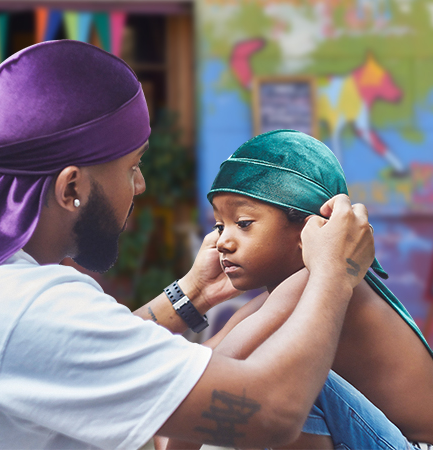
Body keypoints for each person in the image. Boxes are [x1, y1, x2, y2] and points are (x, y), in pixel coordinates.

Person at [0, 42, 375, 450]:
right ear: (71, 186)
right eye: (132, 166)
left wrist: (193, 294)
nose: (139, 187)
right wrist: (336, 272)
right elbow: (272, 411)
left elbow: (64, 356)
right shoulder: (32, 307)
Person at [158, 129, 432, 449]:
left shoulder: (308, 286)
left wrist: (175, 433)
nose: (222, 241)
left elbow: (190, 393)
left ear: (308, 229)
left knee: (287, 385)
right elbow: (189, 375)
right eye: (220, 225)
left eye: (243, 223)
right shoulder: (280, 298)